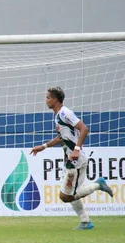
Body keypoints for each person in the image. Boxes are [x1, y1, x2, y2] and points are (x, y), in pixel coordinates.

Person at [30, 86, 113, 230]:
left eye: (48, 98)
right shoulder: (58, 116)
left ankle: (99, 185)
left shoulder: (65, 113)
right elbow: (61, 137)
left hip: (75, 161)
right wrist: (43, 146)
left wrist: (76, 149)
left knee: (65, 196)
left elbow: (84, 129)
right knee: (70, 193)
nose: (46, 100)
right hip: (69, 159)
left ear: (55, 100)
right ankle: (85, 221)